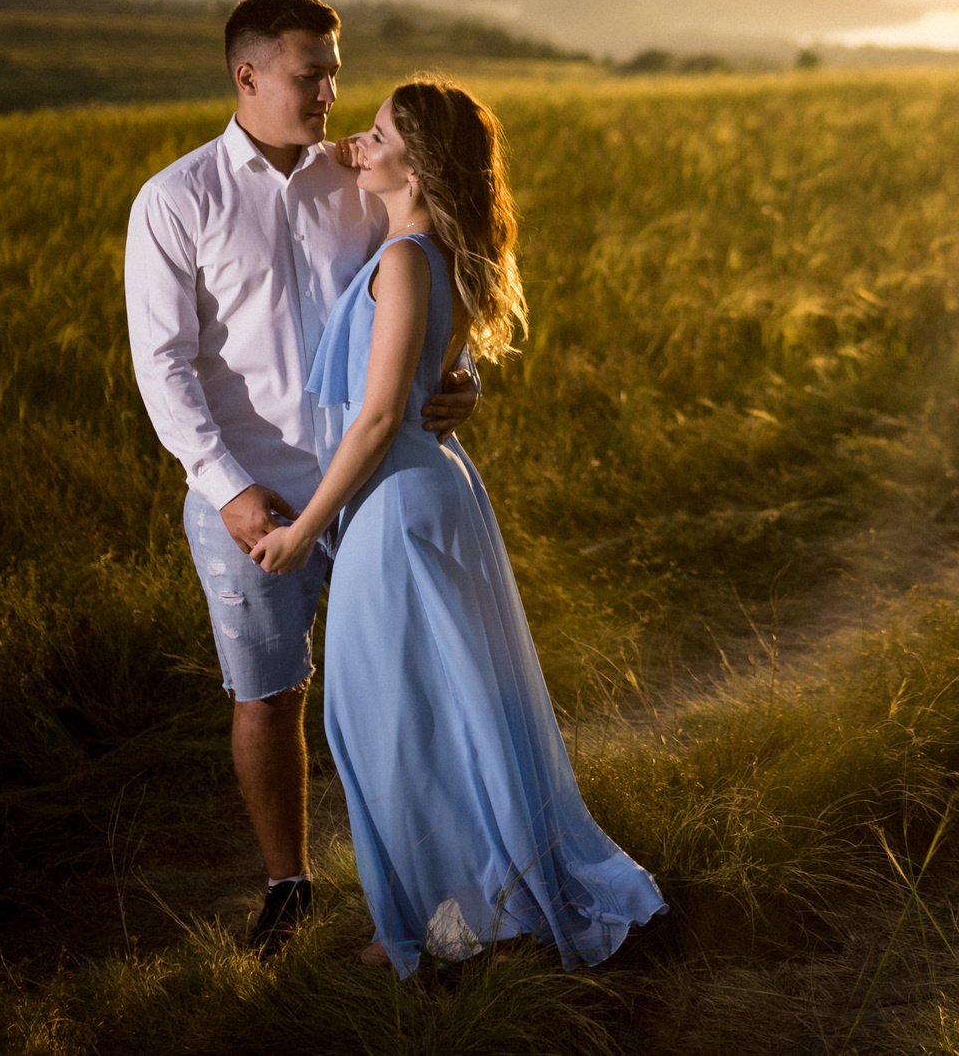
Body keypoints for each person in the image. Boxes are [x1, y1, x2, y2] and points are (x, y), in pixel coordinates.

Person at [248, 75, 666, 974]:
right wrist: (342, 151)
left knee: (392, 727)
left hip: (396, 507)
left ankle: (430, 930)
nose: (359, 137)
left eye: (379, 130)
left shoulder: (404, 257)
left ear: (420, 160)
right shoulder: (413, 245)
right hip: (417, 495)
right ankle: (460, 916)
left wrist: (300, 531)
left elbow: (375, 417)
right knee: (427, 718)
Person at [124, 0, 482, 954]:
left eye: (335, 69)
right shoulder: (175, 200)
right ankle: (289, 882)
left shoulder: (356, 177)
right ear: (247, 76)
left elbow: (423, 273)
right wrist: (232, 490)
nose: (331, 89)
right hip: (248, 496)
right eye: (309, 73)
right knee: (267, 693)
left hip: (374, 488)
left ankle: (424, 891)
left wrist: (463, 376)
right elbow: (162, 367)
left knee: (403, 688)